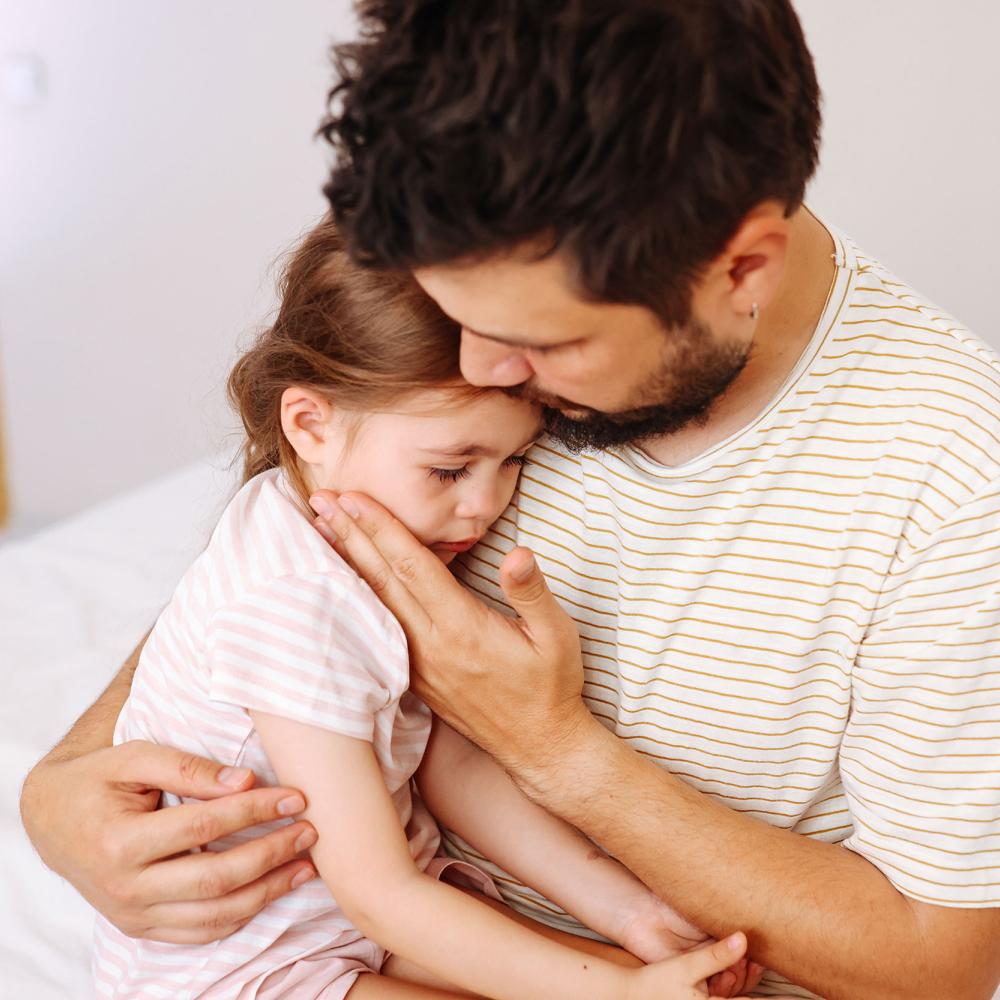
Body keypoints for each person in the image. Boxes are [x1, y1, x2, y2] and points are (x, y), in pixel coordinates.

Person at [20, 2, 1000, 998]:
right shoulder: (481, 250)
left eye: (543, 345)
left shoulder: (956, 483)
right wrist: (59, 788)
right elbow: (284, 562)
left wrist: (562, 756)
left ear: (741, 265)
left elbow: (938, 966)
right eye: (455, 315)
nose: (483, 365)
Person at [90, 217, 765, 999]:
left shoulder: (357, 540)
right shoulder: (295, 603)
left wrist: (631, 917)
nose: (483, 507)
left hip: (350, 927)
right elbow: (381, 895)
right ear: (309, 424)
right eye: (449, 471)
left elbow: (449, 767)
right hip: (250, 970)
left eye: (514, 459)